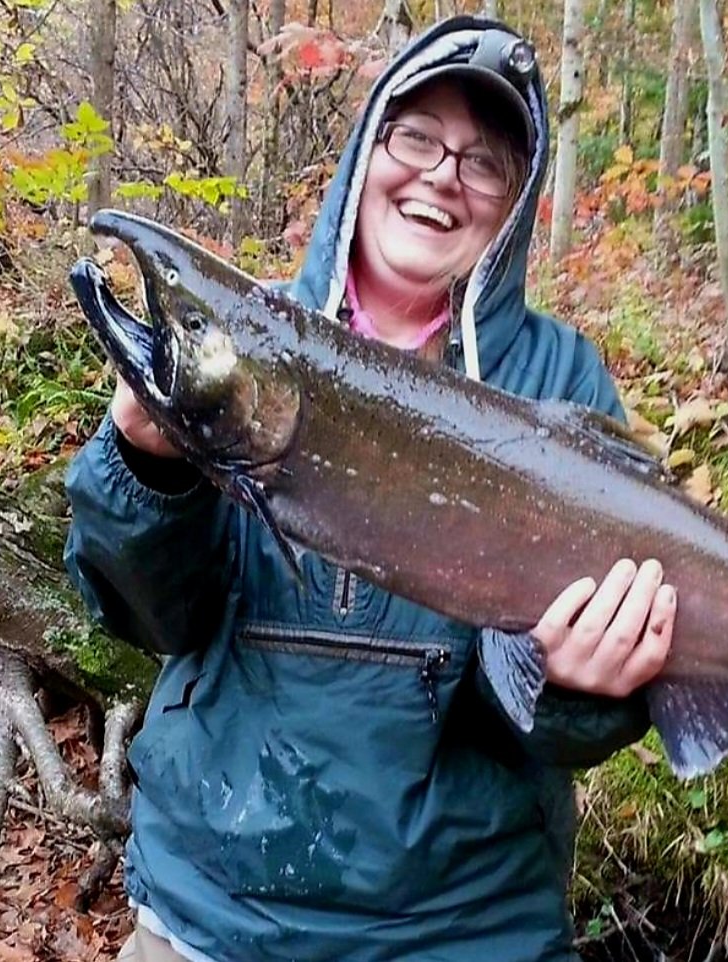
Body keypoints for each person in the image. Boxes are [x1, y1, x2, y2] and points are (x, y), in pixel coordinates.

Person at [65, 16, 677, 962]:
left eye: (481, 161)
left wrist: (575, 691)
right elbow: (154, 624)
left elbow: (564, 725)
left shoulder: (561, 384)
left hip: (465, 928)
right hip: (215, 914)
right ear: (367, 150)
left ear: (512, 203)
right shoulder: (248, 339)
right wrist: (147, 464)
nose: (441, 174)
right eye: (417, 136)